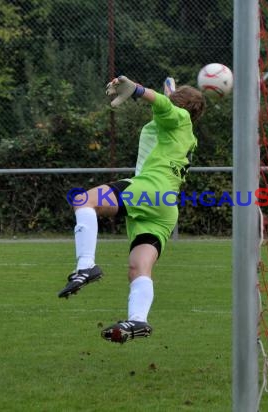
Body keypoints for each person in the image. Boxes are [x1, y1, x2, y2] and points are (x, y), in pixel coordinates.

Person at [57, 75, 206, 344]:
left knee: (84, 200)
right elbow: (165, 105)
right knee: (139, 268)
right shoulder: (182, 132)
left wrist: (137, 89)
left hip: (150, 188)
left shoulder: (178, 118)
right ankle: (138, 319)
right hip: (165, 207)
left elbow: (163, 104)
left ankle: (85, 265)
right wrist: (171, 94)